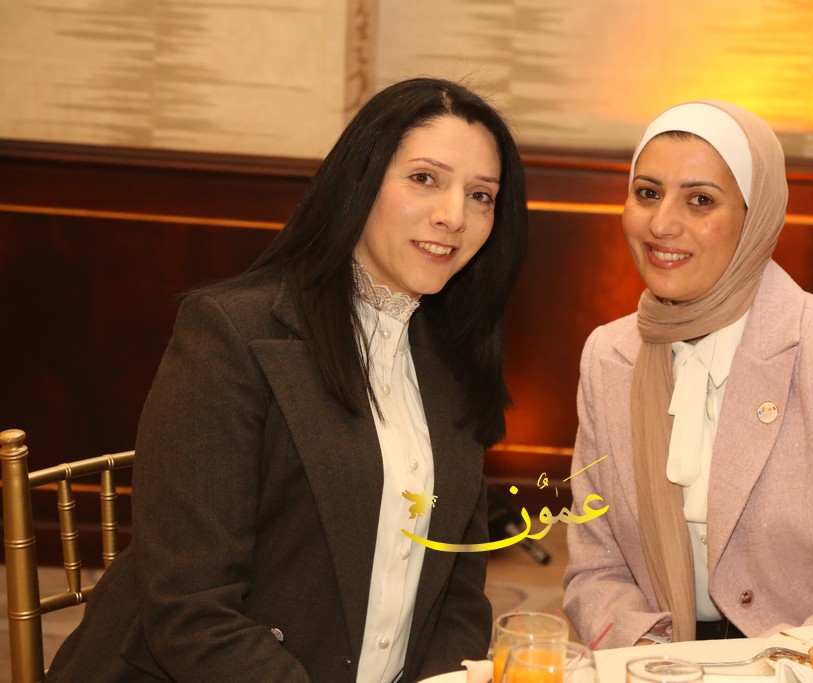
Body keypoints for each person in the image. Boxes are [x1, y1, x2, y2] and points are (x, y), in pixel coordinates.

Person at [45, 77, 528, 682]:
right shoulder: (232, 333)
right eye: (425, 178)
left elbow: (458, 590)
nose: (454, 216)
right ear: (359, 182)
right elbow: (191, 609)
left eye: (481, 195)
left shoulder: (452, 359)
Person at [562, 100, 813, 649]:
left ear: (757, 216)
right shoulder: (609, 355)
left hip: (805, 663)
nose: (662, 223)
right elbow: (594, 571)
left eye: (700, 200)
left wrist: (765, 665)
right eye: (647, 193)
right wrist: (649, 653)